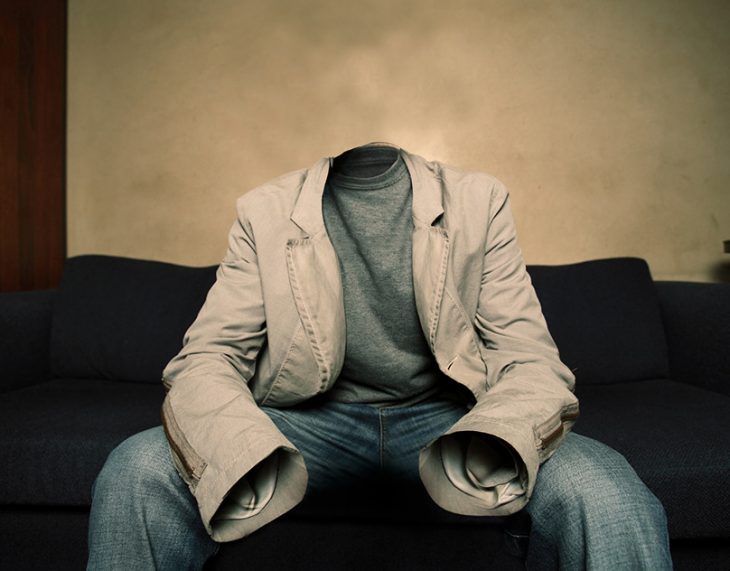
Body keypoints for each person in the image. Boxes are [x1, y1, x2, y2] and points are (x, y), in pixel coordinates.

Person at [87, 142, 672, 570]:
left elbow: (529, 359)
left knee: (604, 492)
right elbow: (209, 357)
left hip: (451, 418)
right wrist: (241, 448)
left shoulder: (479, 199)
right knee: (138, 469)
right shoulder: (263, 210)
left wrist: (492, 441)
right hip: (307, 423)